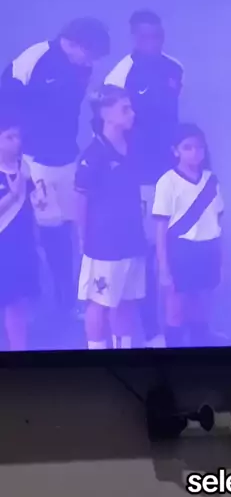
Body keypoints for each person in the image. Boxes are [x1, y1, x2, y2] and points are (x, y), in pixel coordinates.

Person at [1, 18, 110, 316]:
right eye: (89, 54)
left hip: (67, 159)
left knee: (69, 229)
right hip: (33, 162)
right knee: (43, 231)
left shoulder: (83, 68)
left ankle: (68, 298)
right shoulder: (34, 59)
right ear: (72, 43)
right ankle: (33, 299)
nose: (90, 62)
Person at [105, 10, 183, 347]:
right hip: (137, 180)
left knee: (169, 251)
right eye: (146, 37)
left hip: (171, 175)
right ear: (135, 37)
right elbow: (107, 128)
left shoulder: (175, 69)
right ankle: (149, 329)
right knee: (143, 254)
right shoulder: (120, 74)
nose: (153, 43)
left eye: (158, 36)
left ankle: (174, 324)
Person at [75, 86, 146, 351]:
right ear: (105, 113)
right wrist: (82, 237)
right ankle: (96, 354)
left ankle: (123, 353)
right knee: (100, 302)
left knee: (126, 302)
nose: (132, 113)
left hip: (133, 240)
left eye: (131, 107)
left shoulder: (135, 146)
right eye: (124, 109)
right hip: (104, 245)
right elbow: (80, 199)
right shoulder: (93, 155)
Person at [153, 124, 223, 348]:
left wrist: (223, 257)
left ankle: (199, 344)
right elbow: (161, 228)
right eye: (187, 148)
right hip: (181, 251)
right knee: (176, 308)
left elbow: (219, 220)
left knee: (200, 305)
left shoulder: (211, 180)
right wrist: (163, 267)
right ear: (176, 151)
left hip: (208, 249)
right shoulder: (167, 182)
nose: (194, 153)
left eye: (199, 148)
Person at [0, 106, 39, 350]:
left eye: (18, 137)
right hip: (4, 247)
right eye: (9, 137)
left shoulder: (23, 168)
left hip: (23, 245)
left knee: (18, 304)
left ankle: (19, 350)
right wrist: (11, 197)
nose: (16, 142)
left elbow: (32, 204)